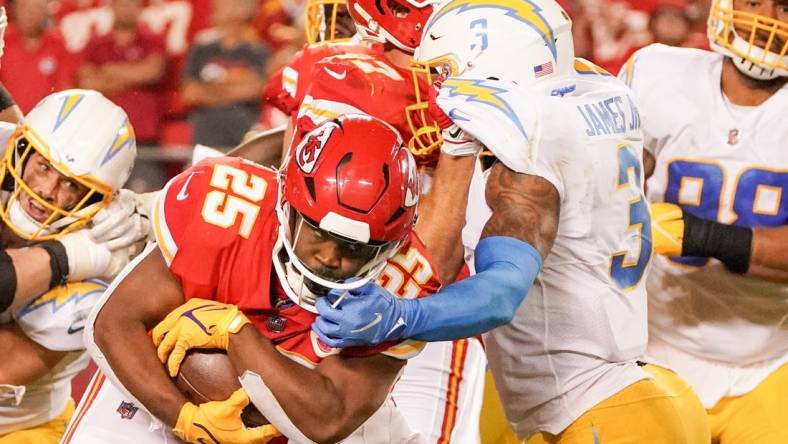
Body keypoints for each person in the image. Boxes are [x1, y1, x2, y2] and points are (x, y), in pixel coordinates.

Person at [314, 0, 712, 442]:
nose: (439, 87)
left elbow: (502, 292)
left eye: (447, 71)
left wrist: (402, 316)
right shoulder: (596, 90)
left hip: (602, 412)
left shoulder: (532, 149)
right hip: (622, 394)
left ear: (495, 65)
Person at [62, 114, 439, 444]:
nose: (329, 257)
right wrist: (183, 418)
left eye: (353, 249)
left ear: (390, 247)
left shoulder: (402, 282)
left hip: (298, 421)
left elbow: (327, 420)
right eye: (318, 234)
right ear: (286, 206)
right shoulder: (226, 207)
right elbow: (113, 323)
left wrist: (237, 334)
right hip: (158, 387)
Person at [620, 0, 788, 442]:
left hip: (769, 363)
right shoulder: (659, 73)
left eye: (784, 7)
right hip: (650, 349)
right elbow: (605, 190)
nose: (766, 21)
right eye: (753, 2)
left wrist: (696, 235)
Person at [0, 89, 147, 443]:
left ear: (98, 198)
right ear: (22, 150)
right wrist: (68, 254)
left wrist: (77, 256)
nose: (48, 191)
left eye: (72, 184)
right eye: (44, 166)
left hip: (19, 431)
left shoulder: (104, 258)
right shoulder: (7, 143)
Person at [77, 0, 166, 145]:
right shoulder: (95, 44)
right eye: (121, 4)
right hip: (102, 132)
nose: (126, 8)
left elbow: (152, 71)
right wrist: (134, 78)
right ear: (112, 6)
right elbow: (86, 82)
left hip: (143, 132)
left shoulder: (153, 40)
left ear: (140, 8)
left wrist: (109, 70)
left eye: (131, 4)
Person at [182, 0, 269, 148]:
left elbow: (256, 90)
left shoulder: (258, 51)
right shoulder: (201, 49)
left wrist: (210, 90)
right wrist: (235, 89)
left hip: (245, 129)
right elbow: (190, 93)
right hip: (206, 131)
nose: (215, 9)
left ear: (243, 10)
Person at [1, 0, 78, 113]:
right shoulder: (3, 40)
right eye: (25, 6)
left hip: (45, 123)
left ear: (47, 10)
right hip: (6, 123)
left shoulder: (58, 44)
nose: (31, 13)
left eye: (37, 7)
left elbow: (65, 89)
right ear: (14, 9)